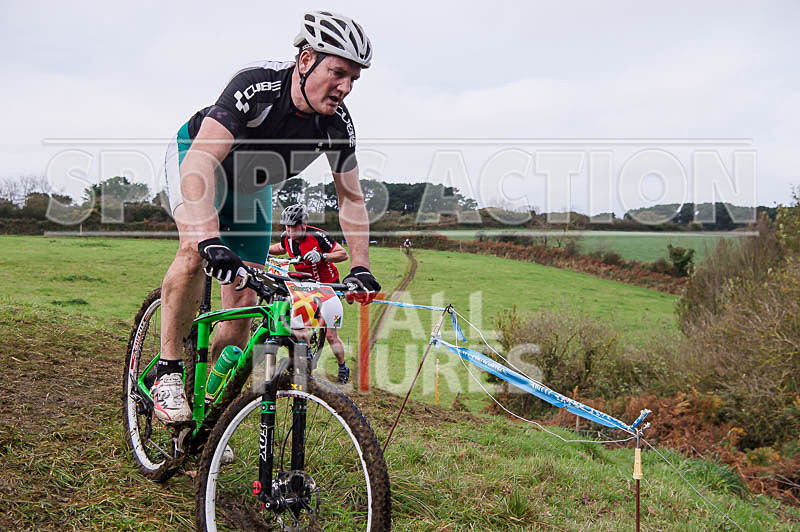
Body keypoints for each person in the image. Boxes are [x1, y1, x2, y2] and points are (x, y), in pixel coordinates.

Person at [152, 11, 380, 423]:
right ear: (306, 59)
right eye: (338, 72)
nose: (345, 87)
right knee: (193, 252)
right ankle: (167, 370)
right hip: (199, 159)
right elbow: (202, 163)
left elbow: (350, 198)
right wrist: (208, 239)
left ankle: (202, 408)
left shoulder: (337, 125)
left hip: (251, 187)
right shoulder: (256, 88)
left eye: (354, 79)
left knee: (242, 307)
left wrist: (361, 266)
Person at [268, 204, 351, 384]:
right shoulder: (287, 238)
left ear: (304, 224)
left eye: (293, 226)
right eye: (286, 227)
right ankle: (306, 359)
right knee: (297, 328)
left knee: (330, 335)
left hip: (327, 287)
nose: (289, 230)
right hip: (304, 289)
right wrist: (262, 251)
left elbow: (343, 254)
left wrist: (323, 256)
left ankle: (343, 366)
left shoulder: (318, 236)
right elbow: (279, 248)